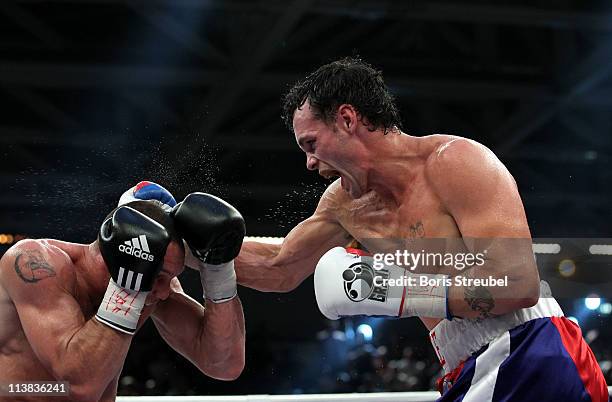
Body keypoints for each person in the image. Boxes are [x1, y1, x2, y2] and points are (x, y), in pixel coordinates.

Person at [231, 57, 609, 401]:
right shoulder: (343, 204)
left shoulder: (455, 162)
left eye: (311, 144)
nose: (310, 163)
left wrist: (397, 292)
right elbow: (279, 266)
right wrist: (186, 244)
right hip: (463, 366)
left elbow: (518, 283)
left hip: (531, 348)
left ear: (347, 119)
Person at [0, 183, 246, 402]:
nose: (163, 292)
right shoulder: (36, 263)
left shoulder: (152, 289)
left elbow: (224, 365)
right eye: (159, 275)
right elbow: (79, 387)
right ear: (124, 255)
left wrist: (219, 271)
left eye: (170, 277)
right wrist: (131, 283)